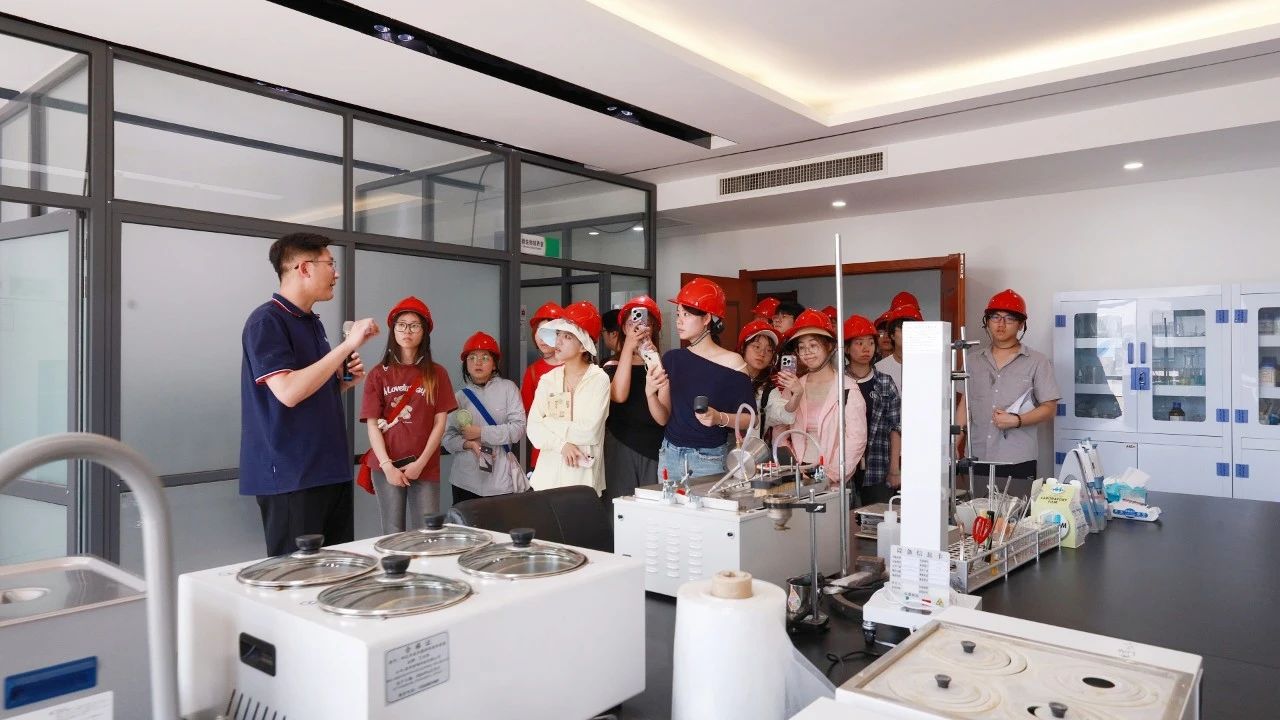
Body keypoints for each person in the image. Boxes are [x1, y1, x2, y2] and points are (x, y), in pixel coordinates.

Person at [240, 232, 378, 556]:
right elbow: (288, 392)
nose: (336, 273)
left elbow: (307, 391)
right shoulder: (266, 321)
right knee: (297, 576)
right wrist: (348, 344)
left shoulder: (312, 322)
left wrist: (342, 382)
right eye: (330, 264)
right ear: (304, 268)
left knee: (337, 572)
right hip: (292, 475)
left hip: (329, 469)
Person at [359, 297, 456, 534]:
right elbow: (372, 425)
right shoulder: (378, 374)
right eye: (401, 325)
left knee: (427, 532)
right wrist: (387, 466)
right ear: (393, 330)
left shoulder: (437, 374)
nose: (407, 331)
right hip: (386, 465)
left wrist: (420, 463)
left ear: (424, 331)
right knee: (392, 532)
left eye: (414, 325)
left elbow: (440, 424)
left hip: (425, 465)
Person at [957, 289, 1062, 497]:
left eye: (1009, 319)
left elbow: (1050, 408)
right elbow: (964, 406)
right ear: (987, 322)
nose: (1001, 324)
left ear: (1021, 324)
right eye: (995, 317)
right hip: (976, 457)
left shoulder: (1037, 361)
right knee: (976, 513)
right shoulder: (972, 361)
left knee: (1015, 515)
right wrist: (954, 444)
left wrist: (1017, 420)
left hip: (1017, 460)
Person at [650, 278, 756, 480]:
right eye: (678, 314)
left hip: (708, 459)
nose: (679, 321)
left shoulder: (732, 362)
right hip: (669, 454)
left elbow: (751, 419)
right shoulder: (672, 358)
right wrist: (649, 393)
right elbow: (663, 418)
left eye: (686, 315)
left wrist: (719, 418)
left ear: (707, 318)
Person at [776, 309, 868, 490]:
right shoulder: (793, 386)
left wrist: (830, 474)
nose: (807, 352)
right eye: (802, 347)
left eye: (813, 345)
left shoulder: (847, 389)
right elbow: (779, 430)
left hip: (832, 479)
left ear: (829, 347)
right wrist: (792, 466)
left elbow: (856, 439)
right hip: (797, 473)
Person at [527, 301, 611, 495]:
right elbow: (533, 428)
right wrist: (562, 445)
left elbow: (589, 431)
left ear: (583, 346)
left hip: (582, 481)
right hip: (545, 480)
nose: (558, 342)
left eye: (567, 336)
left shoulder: (599, 379)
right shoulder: (548, 379)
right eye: (558, 334)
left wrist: (548, 422)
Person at [443, 331, 527, 504]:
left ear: (494, 364)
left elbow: (518, 429)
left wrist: (481, 433)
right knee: (465, 522)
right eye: (472, 358)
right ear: (466, 364)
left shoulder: (508, 388)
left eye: (485, 357)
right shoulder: (459, 397)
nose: (478, 362)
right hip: (465, 481)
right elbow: (447, 438)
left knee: (501, 522)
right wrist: (468, 444)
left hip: (501, 481)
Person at [602, 296, 666, 504]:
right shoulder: (610, 364)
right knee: (621, 507)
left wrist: (653, 359)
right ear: (623, 328)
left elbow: (664, 416)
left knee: (652, 508)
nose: (638, 328)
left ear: (654, 329)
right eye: (632, 323)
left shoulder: (661, 364)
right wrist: (628, 348)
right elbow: (618, 395)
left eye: (646, 323)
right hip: (620, 444)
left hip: (654, 446)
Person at [843, 314, 902, 505]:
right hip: (843, 466)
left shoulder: (885, 382)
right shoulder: (838, 382)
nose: (866, 348)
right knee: (845, 518)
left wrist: (894, 469)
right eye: (859, 343)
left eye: (870, 342)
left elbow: (895, 427)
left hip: (878, 464)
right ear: (846, 348)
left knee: (879, 516)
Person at [521, 301, 564, 470]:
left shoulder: (576, 367)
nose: (541, 338)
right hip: (542, 452)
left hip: (573, 450)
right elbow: (527, 413)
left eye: (549, 332)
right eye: (538, 332)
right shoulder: (533, 371)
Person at [737, 319, 792, 442]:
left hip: (751, 451)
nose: (762, 353)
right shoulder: (726, 376)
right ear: (743, 347)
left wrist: (797, 394)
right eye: (757, 347)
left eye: (769, 350)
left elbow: (784, 415)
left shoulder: (768, 388)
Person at [874, 300, 923, 394]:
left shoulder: (928, 366)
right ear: (892, 335)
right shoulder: (880, 368)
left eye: (913, 329)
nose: (908, 333)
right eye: (903, 329)